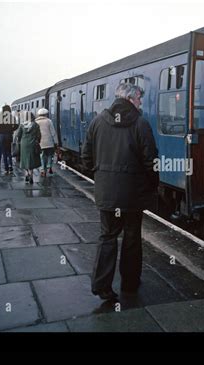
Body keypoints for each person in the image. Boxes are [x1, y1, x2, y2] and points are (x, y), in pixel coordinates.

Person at [81, 83, 159, 300]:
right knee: (132, 237)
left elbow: (86, 156)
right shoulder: (141, 123)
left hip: (107, 193)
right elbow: (151, 160)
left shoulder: (98, 121)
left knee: (107, 236)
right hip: (133, 195)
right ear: (131, 99)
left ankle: (101, 285)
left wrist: (101, 177)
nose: (141, 102)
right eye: (139, 99)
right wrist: (153, 185)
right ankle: (130, 283)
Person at [16, 111, 41, 184]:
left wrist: (20, 141)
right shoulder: (36, 125)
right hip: (33, 144)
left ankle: (27, 173)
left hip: (24, 144)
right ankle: (31, 174)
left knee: (25, 160)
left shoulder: (22, 125)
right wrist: (38, 141)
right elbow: (39, 135)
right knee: (31, 160)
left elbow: (18, 135)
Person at [35, 108, 58, 177]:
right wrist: (56, 142)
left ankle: (42, 170)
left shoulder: (36, 122)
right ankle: (49, 167)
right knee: (50, 155)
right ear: (46, 114)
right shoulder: (49, 121)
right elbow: (53, 132)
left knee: (42, 156)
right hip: (49, 142)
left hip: (40, 143)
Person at [0, 105, 19, 174]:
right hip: (9, 135)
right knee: (9, 151)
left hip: (2, 135)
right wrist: (12, 130)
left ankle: (6, 168)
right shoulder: (11, 117)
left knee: (4, 152)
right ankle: (10, 166)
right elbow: (16, 125)